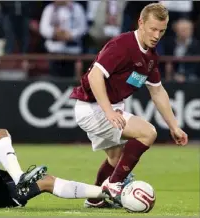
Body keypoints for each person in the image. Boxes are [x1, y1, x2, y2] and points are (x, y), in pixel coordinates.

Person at [69, 3, 188, 208]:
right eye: (153, 29)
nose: (156, 35)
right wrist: (108, 111)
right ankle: (115, 186)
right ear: (140, 23)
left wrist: (174, 126)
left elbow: (157, 91)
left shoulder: (150, 56)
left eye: (162, 30)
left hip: (107, 108)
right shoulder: (122, 45)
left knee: (116, 159)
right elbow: (95, 76)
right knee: (148, 133)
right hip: (93, 108)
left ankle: (95, 199)